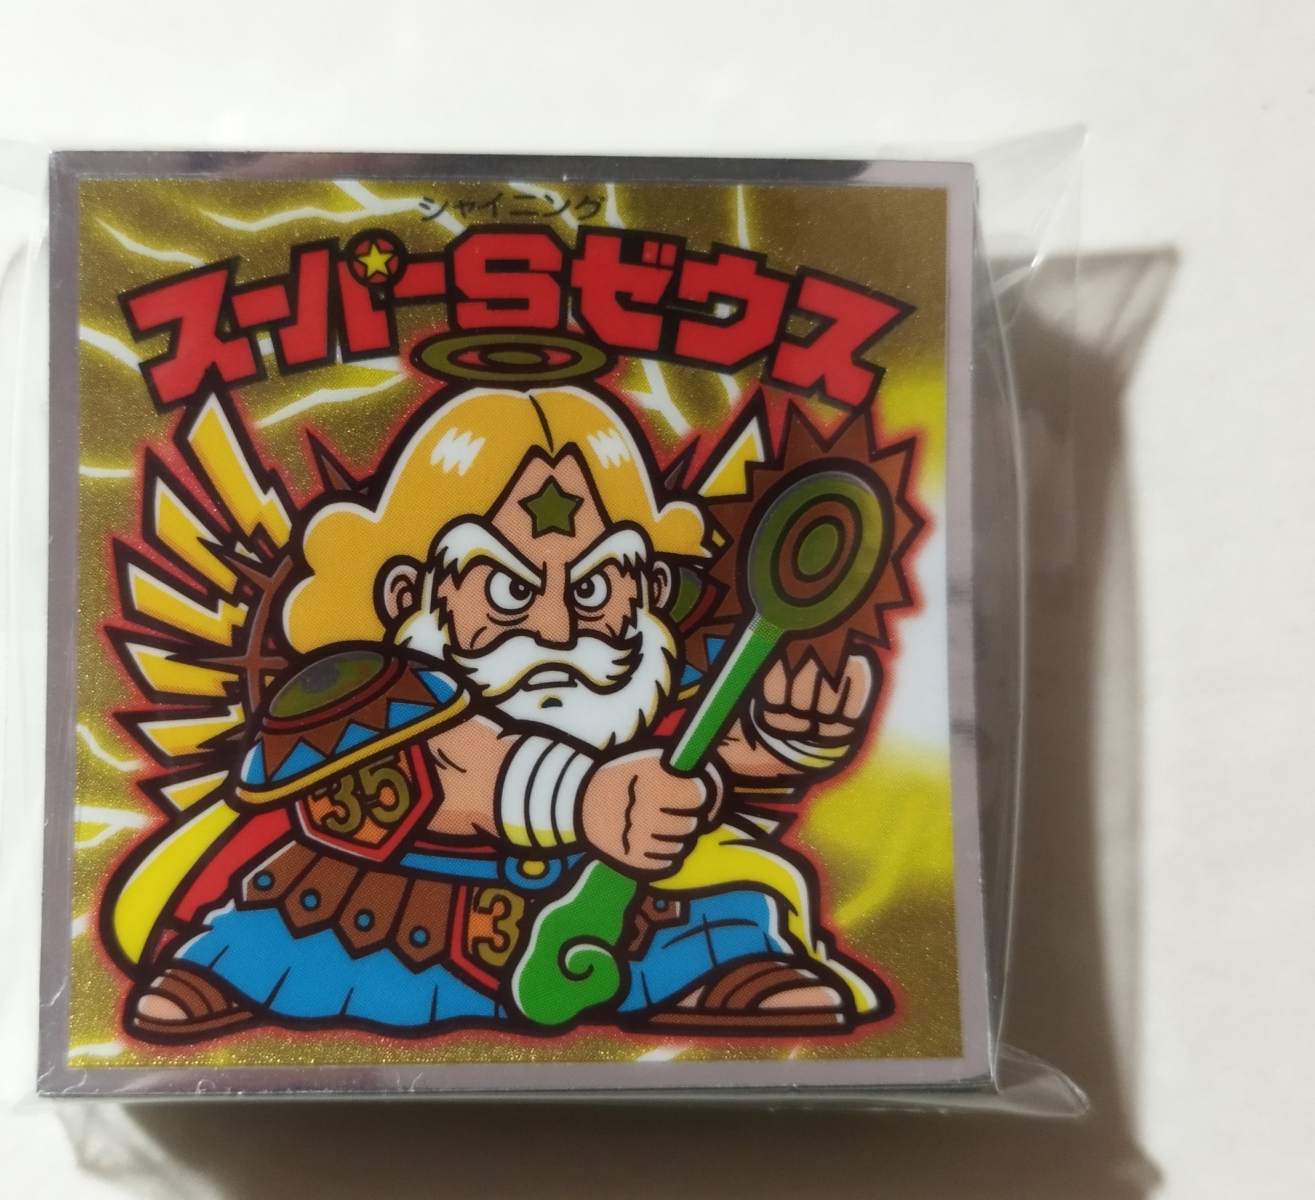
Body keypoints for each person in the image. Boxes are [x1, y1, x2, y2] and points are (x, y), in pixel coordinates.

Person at [120, 385, 887, 1040]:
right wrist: (585, 799)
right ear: (412, 594)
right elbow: (467, 768)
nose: (556, 628)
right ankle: (229, 973)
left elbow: (706, 746)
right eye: (510, 589)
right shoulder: (376, 691)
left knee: (722, 916)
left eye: (593, 587)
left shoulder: (646, 673)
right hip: (391, 911)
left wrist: (785, 735)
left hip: (613, 906)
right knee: (282, 946)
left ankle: (725, 973)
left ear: (649, 588)